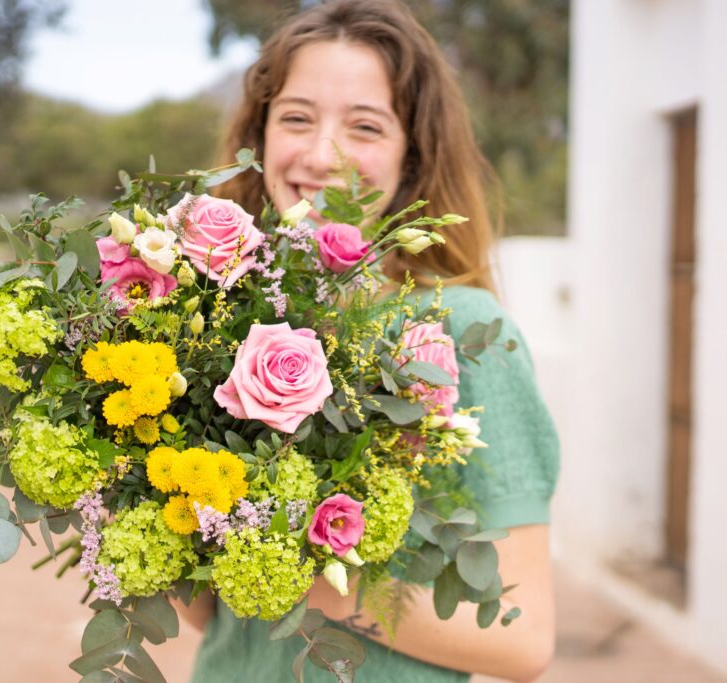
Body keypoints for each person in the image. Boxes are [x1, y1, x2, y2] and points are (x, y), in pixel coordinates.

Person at [180, 1, 560, 681]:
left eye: (364, 126)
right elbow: (215, 613)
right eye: (296, 117)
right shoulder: (218, 323)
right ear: (259, 135)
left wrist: (308, 581)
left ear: (412, 155)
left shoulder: (463, 332)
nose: (322, 155)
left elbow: (523, 641)